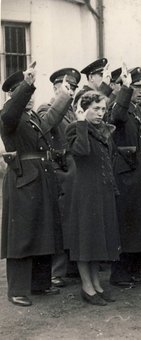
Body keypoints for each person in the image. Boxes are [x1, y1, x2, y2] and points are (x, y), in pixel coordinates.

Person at [1, 64, 71, 306]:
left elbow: (51, 119)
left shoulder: (32, 118)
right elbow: (10, 113)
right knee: (22, 234)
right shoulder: (9, 117)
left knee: (43, 229)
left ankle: (40, 284)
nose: (30, 98)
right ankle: (17, 290)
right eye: (24, 93)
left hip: (40, 177)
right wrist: (27, 85)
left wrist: (64, 95)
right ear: (13, 94)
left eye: (31, 93)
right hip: (23, 179)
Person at [65, 91, 120, 306]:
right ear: (84, 108)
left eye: (103, 109)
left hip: (102, 191)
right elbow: (81, 151)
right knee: (85, 239)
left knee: (97, 239)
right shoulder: (75, 128)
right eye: (95, 109)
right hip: (85, 194)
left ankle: (96, 283)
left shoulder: (102, 130)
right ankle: (86, 287)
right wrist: (80, 122)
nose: (100, 113)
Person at [106, 65, 141, 287]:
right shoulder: (119, 106)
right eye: (138, 87)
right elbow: (116, 116)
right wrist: (125, 90)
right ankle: (120, 274)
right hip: (126, 171)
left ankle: (135, 268)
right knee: (127, 222)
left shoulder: (137, 110)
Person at [37, 68, 81, 288]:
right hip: (59, 169)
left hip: (74, 169)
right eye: (65, 87)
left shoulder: (72, 112)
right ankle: (56, 271)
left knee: (73, 219)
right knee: (60, 220)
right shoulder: (47, 108)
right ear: (55, 88)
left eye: (72, 88)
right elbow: (46, 125)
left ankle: (71, 267)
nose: (70, 91)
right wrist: (63, 98)